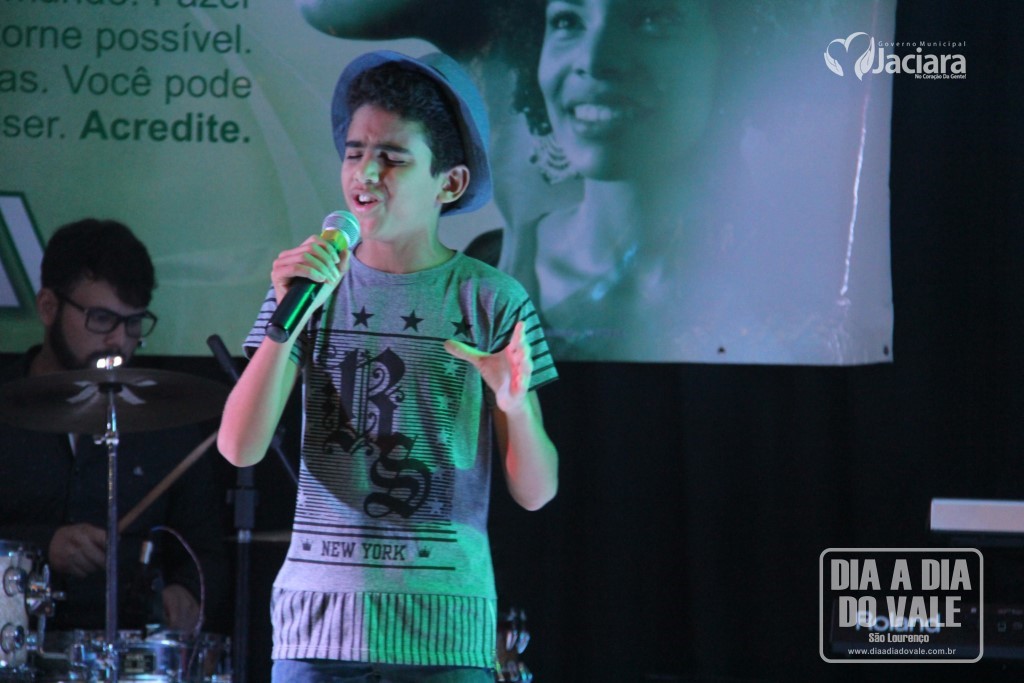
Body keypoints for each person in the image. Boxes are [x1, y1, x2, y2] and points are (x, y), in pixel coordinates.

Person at [297, 0, 894, 364]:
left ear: (734, 54)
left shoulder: (784, 289)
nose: (598, 57)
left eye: (652, 19)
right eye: (567, 20)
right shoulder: (492, 279)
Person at [217, 50, 559, 682]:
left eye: (393, 158)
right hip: (317, 628)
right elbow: (239, 447)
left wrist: (516, 407)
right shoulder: (310, 285)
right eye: (355, 152)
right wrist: (284, 323)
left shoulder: (490, 299)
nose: (365, 173)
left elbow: (536, 493)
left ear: (449, 184)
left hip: (444, 630)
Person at [0, 219, 229, 637]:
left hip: (126, 651)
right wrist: (42, 546)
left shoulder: (167, 424)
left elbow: (206, 551)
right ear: (48, 307)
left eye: (134, 323)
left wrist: (187, 592)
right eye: (102, 318)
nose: (119, 341)